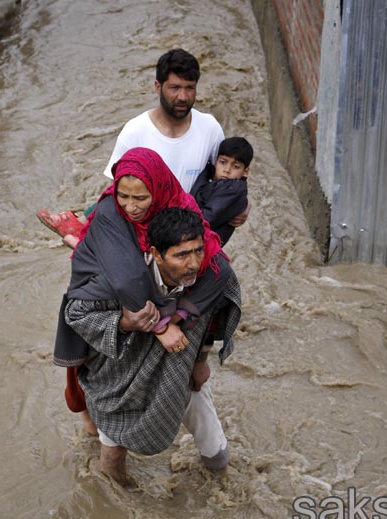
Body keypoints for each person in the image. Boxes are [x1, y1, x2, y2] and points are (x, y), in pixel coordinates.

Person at [53, 148, 241, 486]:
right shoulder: (116, 272)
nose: (193, 263)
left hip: (179, 367)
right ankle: (123, 497)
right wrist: (127, 323)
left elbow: (211, 314)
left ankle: (221, 488)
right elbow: (79, 312)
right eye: (181, 255)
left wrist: (200, 358)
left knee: (216, 453)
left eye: (198, 251)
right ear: (154, 253)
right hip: (123, 375)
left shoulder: (204, 271)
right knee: (111, 457)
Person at [38, 48, 247, 247]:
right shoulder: (135, 131)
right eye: (175, 88)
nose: (183, 97)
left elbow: (229, 173)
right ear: (158, 87)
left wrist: (243, 206)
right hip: (143, 233)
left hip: (190, 235)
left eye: (189, 88)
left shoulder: (210, 129)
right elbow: (118, 192)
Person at [189, 136, 254, 246]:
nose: (227, 170)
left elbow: (206, 217)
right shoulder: (219, 184)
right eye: (223, 162)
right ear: (216, 162)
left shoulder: (233, 190)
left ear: (245, 172)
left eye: (236, 166)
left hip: (202, 249)